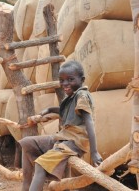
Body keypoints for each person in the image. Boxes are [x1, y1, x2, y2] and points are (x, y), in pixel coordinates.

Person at [19, 60, 103, 191]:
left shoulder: (82, 95)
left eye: (70, 79)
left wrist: (94, 151)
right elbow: (64, 111)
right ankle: (26, 186)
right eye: (62, 80)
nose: (65, 84)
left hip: (74, 142)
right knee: (26, 143)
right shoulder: (71, 97)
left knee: (40, 165)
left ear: (82, 80)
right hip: (63, 138)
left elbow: (89, 121)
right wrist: (50, 110)